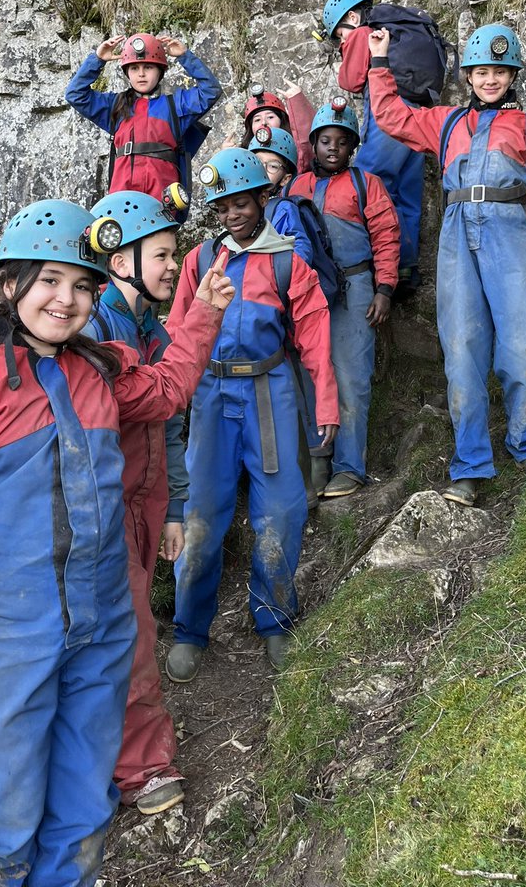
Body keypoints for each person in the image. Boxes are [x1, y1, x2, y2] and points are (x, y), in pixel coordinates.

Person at [0, 198, 233, 886]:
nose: (65, 301)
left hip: (99, 638)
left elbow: (166, 392)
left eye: (81, 285)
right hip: (7, 648)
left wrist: (204, 314)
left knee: (80, 814)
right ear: (11, 285)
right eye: (48, 281)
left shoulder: (100, 372)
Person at [367, 23, 526, 507]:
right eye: (481, 72)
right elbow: (391, 115)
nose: (489, 80)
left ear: (512, 75)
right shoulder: (445, 122)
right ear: (468, 76)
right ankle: (470, 464)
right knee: (461, 346)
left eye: (499, 72)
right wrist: (379, 62)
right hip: (459, 234)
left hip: (513, 230)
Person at [164, 150, 339, 681]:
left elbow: (314, 337)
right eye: (222, 206)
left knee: (281, 510)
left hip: (271, 390)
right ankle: (190, 627)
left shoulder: (288, 262)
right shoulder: (199, 261)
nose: (231, 214)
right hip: (211, 394)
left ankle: (275, 620)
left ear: (264, 198)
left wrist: (326, 402)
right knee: (199, 514)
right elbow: (177, 329)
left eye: (241, 202)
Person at [82, 188, 191, 817]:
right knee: (133, 636)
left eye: (174, 254)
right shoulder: (98, 333)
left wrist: (174, 507)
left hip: (142, 501)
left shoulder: (150, 327)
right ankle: (144, 768)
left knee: (126, 630)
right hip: (103, 508)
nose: (173, 265)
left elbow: (170, 422)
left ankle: (108, 755)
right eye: (162, 254)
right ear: (120, 261)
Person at [288, 98, 400, 499]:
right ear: (312, 145)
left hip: (355, 289)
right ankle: (317, 461)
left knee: (351, 376)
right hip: (306, 295)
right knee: (309, 375)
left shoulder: (365, 184)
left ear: (352, 147)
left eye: (341, 142)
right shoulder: (295, 186)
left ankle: (349, 466)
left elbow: (386, 236)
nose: (332, 148)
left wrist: (385, 289)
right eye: (325, 141)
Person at [321, 0, 426, 294]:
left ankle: (370, 266)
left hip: (389, 115)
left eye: (340, 34)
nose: (342, 40)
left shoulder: (362, 32)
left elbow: (350, 80)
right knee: (406, 195)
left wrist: (348, 48)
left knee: (367, 184)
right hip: (419, 117)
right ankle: (406, 269)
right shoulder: (396, 31)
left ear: (352, 17)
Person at [65, 31, 221, 201]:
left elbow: (210, 91)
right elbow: (75, 95)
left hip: (164, 199)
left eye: (148, 67)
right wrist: (98, 59)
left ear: (159, 71)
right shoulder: (115, 106)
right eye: (134, 68)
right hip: (123, 200)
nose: (141, 74)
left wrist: (185, 56)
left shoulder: (175, 106)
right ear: (127, 73)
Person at [248, 126, 313, 265]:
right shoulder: (241, 203)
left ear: (285, 179)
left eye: (272, 166)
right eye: (257, 161)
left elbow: (300, 251)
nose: (262, 170)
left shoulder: (283, 209)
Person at [240, 84, 317, 173]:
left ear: (282, 120)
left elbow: (307, 149)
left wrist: (297, 103)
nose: (264, 122)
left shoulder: (294, 147)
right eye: (257, 120)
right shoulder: (244, 156)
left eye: (270, 117)